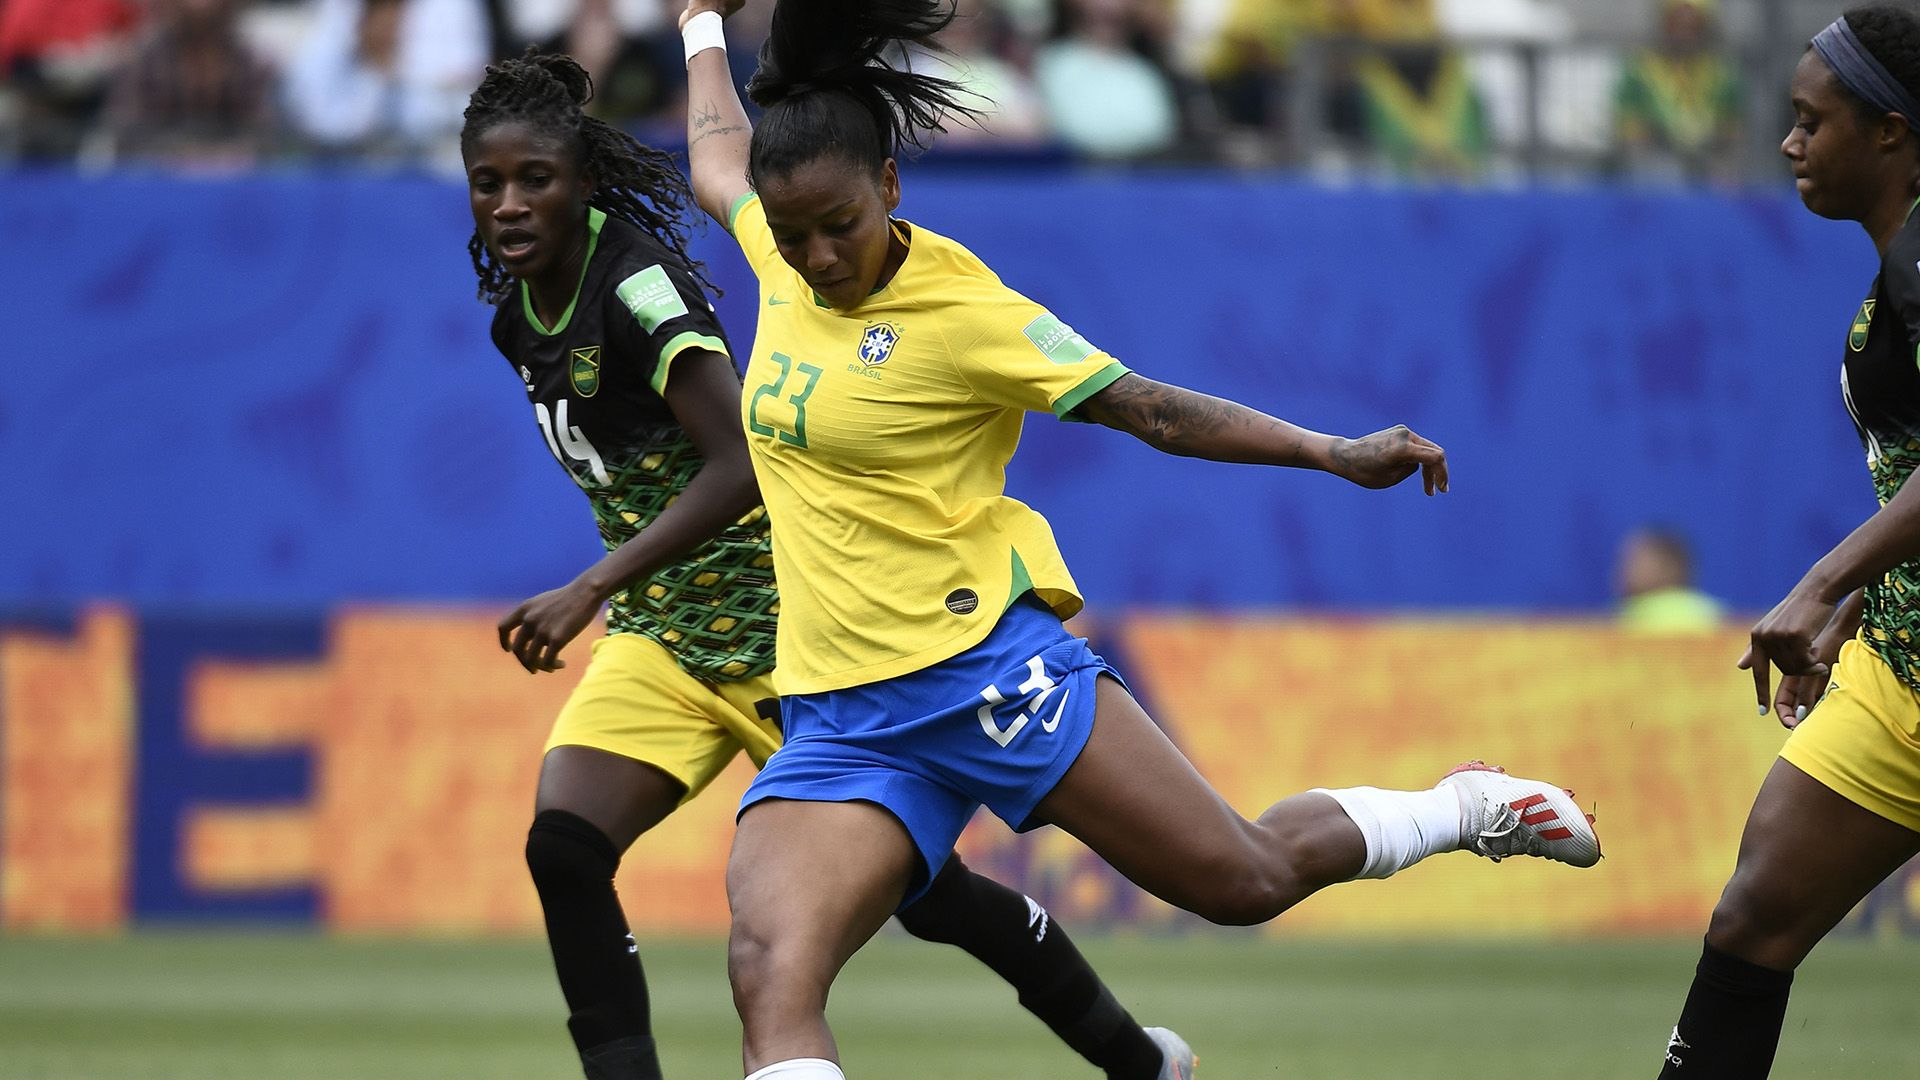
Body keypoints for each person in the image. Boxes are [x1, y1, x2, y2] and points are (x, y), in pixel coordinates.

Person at [677, 2, 1600, 1077]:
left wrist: (1328, 450)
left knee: (1242, 880)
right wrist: (700, 23)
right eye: (795, 237)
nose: (820, 255)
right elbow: (715, 156)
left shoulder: (966, 312)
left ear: (890, 183)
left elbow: (1149, 410)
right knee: (769, 971)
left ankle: (1463, 806)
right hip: (843, 714)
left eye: (841, 222)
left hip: (984, 673)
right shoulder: (780, 252)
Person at [459, 50, 1193, 1080]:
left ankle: (1138, 1062)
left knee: (928, 897)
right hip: (665, 640)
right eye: (488, 183)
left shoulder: (637, 289)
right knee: (565, 847)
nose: (509, 202)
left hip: (786, 633)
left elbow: (743, 467)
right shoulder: (516, 318)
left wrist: (591, 583)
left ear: (582, 178)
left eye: (534, 177)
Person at [1653, 7, 1920, 1076]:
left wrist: (1822, 582)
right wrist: (1871, 590)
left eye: (1813, 121)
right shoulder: (1898, 269)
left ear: (1893, 133)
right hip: (1901, 673)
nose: (1789, 142)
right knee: (1757, 913)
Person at [1616, 526, 1726, 633]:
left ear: (1669, 567)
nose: (1623, 569)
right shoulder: (1716, 613)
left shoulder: (1628, 620)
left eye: (1635, 560)